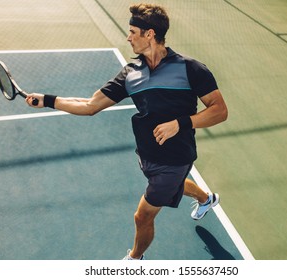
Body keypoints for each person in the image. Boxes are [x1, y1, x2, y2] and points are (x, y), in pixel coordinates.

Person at [26, 3, 228, 260]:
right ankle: (207, 199)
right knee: (172, 186)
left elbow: (220, 110)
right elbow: (90, 105)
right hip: (147, 154)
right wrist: (47, 100)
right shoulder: (130, 74)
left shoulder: (190, 69)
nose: (128, 36)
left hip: (176, 158)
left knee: (142, 216)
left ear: (150, 34)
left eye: (133, 31)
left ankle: (135, 260)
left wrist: (181, 123)